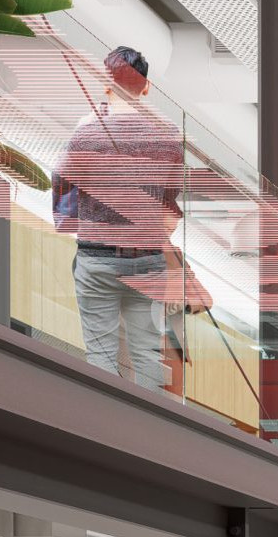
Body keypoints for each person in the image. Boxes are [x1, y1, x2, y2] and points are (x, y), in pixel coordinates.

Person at [53, 47, 184, 391]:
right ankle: (151, 421)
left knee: (101, 355)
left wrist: (70, 221)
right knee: (147, 353)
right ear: (147, 87)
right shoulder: (169, 135)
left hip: (96, 258)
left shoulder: (87, 132)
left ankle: (103, 420)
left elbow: (62, 179)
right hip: (147, 259)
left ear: (106, 85)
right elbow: (170, 197)